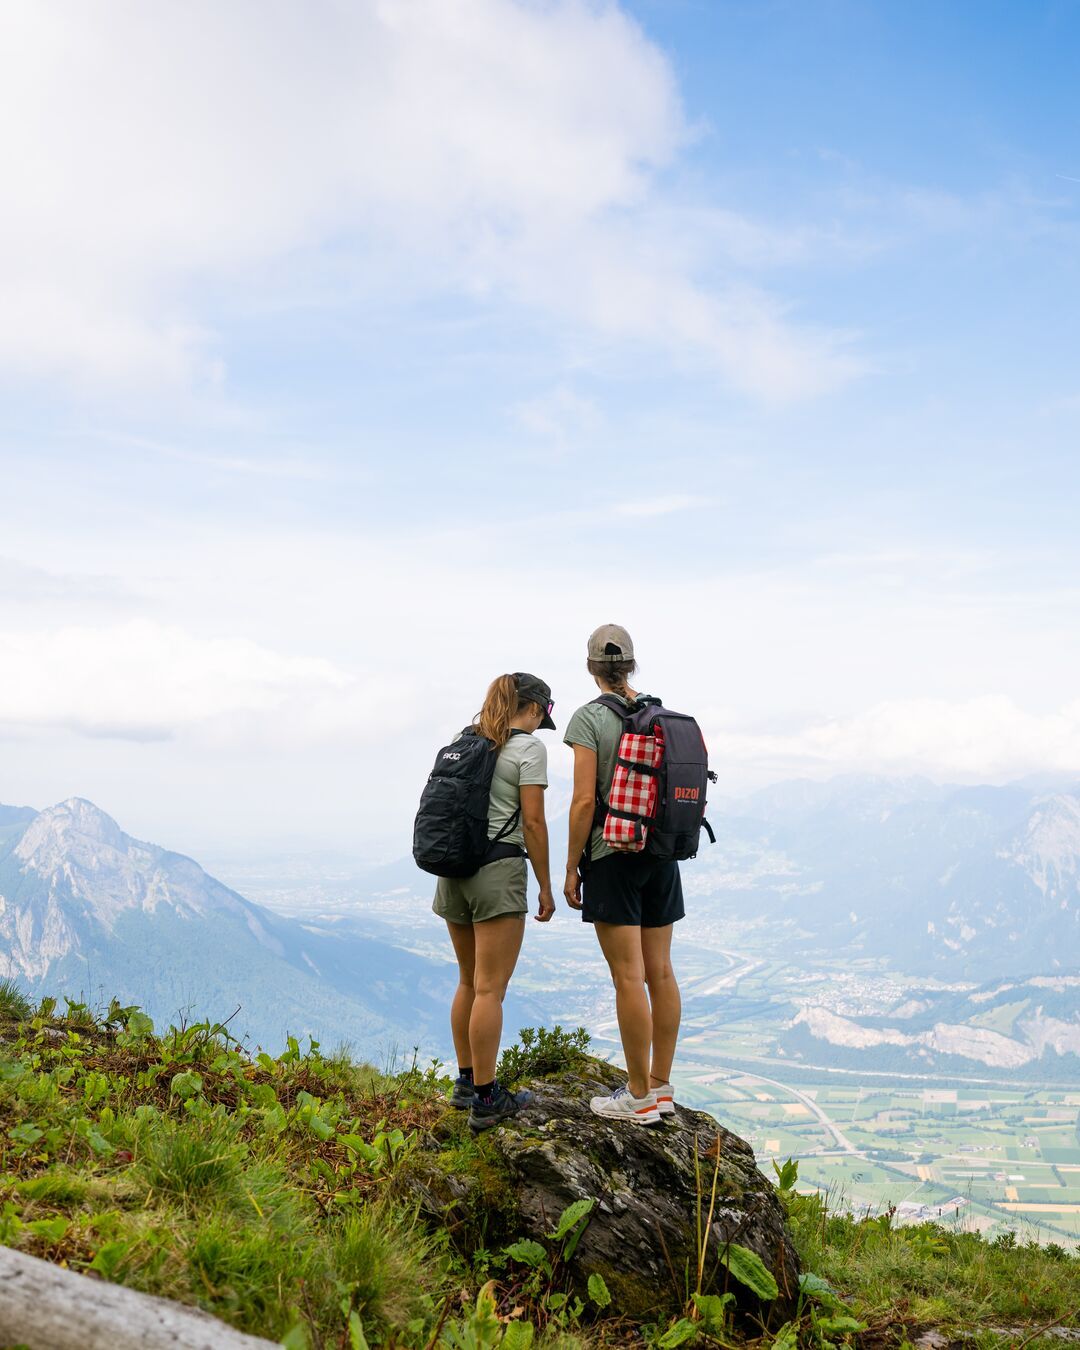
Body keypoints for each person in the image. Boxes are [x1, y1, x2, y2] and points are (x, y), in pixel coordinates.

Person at [563, 625, 683, 1126]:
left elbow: (585, 799)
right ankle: (660, 1086)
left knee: (628, 977)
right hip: (661, 855)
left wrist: (571, 866)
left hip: (612, 853)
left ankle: (636, 1097)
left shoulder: (589, 718)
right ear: (631, 666)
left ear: (591, 668)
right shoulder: (661, 714)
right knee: (660, 972)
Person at [433, 672, 557, 1130]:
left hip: (452, 873)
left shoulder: (464, 740)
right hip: (497, 874)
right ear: (538, 709)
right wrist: (545, 885)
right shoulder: (528, 749)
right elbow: (534, 824)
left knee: (467, 981)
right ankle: (487, 1099)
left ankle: (466, 1082)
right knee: (491, 989)